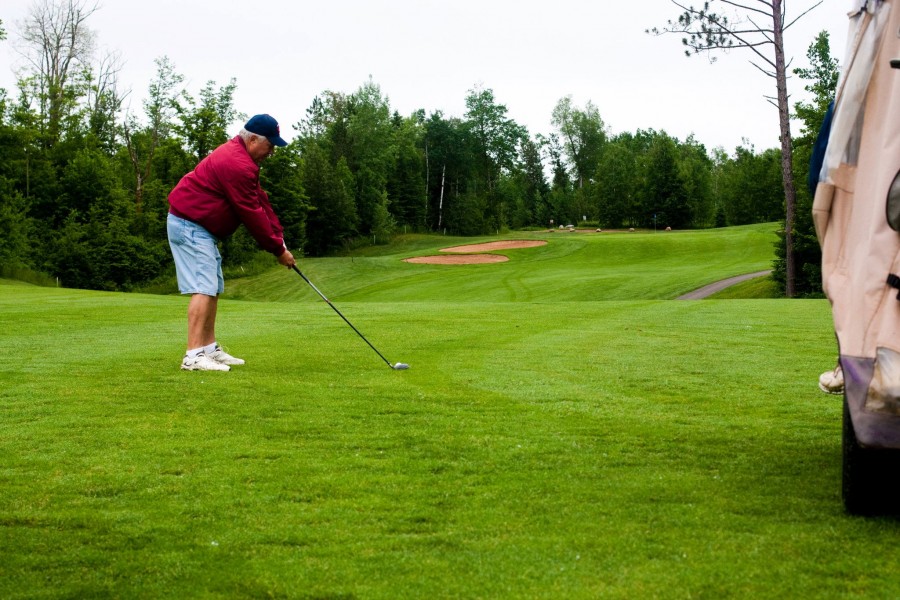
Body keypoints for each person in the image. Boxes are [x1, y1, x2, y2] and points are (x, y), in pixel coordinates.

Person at [166, 114, 297, 371]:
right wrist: (277, 250)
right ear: (253, 139)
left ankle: (208, 349)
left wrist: (279, 239)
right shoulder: (237, 163)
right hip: (189, 224)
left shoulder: (244, 159)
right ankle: (193, 356)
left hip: (200, 228)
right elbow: (250, 212)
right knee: (204, 287)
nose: (271, 151)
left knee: (212, 287)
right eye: (270, 145)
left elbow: (260, 200)